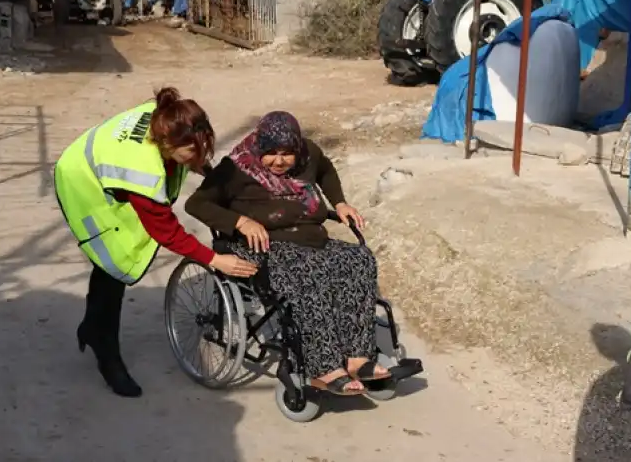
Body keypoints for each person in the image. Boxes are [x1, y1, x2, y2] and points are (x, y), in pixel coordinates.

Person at [54, 87, 258, 398]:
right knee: (115, 264)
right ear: (165, 145)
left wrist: (199, 163)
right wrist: (214, 260)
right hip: (82, 181)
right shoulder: (140, 172)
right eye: (192, 152)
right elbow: (167, 232)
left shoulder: (169, 116)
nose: (199, 157)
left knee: (109, 265)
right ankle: (107, 354)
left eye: (203, 147)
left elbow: (187, 152)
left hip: (98, 158)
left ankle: (91, 327)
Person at [185, 111, 390, 395]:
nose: (279, 161)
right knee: (309, 275)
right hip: (262, 246)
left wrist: (340, 203)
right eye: (270, 153)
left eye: (286, 153)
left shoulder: (308, 155)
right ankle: (323, 368)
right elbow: (196, 204)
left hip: (309, 239)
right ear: (259, 147)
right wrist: (240, 221)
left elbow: (326, 170)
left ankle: (357, 356)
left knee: (359, 260)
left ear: (297, 148)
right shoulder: (235, 169)